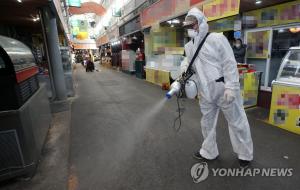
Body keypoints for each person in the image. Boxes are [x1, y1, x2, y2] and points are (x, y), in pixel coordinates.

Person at [181, 7, 253, 168]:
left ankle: (245, 154)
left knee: (237, 121)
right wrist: (184, 68)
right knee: (206, 123)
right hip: (205, 91)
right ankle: (209, 151)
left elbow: (229, 63)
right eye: (188, 26)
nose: (191, 29)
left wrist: (231, 87)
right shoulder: (189, 47)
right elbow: (191, 65)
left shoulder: (216, 39)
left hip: (223, 88)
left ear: (201, 23)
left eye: (193, 25)